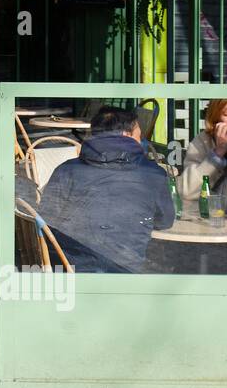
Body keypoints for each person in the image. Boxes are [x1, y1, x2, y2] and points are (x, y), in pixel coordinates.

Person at [36, 106, 175, 273]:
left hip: (71, 271)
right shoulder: (152, 173)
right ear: (127, 135)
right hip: (125, 274)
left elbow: (46, 222)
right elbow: (165, 221)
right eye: (139, 136)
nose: (141, 142)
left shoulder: (66, 170)